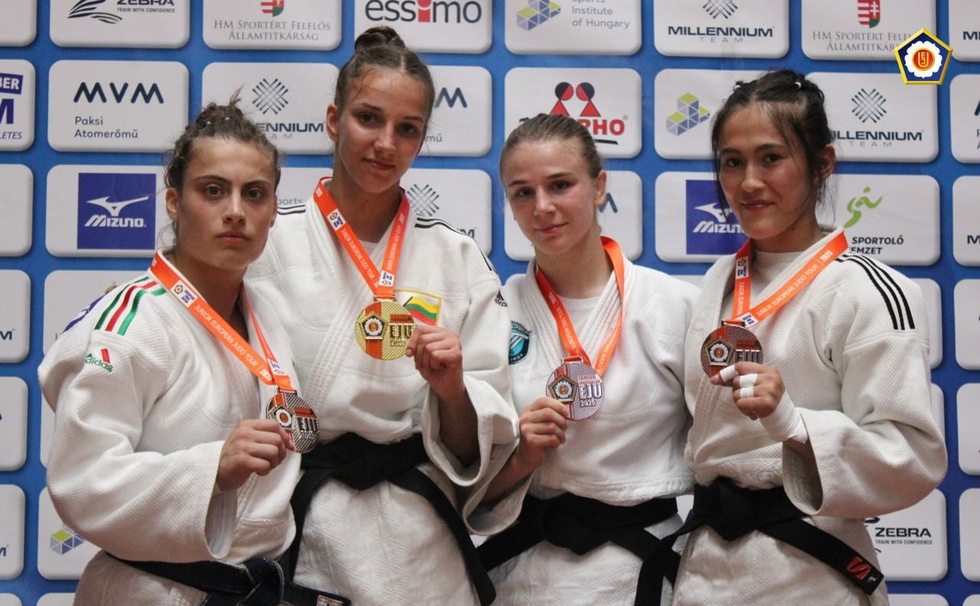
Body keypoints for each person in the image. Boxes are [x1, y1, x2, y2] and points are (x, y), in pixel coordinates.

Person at [245, 26, 519, 605]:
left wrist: (453, 390)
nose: (386, 144)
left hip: (415, 538)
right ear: (333, 120)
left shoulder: (457, 257)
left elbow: (476, 447)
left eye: (408, 128)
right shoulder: (267, 245)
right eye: (368, 118)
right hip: (299, 521)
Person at [662, 69, 948, 605]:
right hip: (708, 565)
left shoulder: (869, 290)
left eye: (771, 158)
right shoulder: (719, 280)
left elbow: (912, 456)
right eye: (732, 161)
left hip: (811, 571)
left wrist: (795, 425)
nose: (749, 182)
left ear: (822, 163)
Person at [42, 98, 343, 605]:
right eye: (213, 191)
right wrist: (211, 468)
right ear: (174, 203)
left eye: (254, 194)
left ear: (274, 210)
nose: (235, 211)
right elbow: (82, 482)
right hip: (151, 591)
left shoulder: (265, 315)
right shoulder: (130, 324)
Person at [475, 113, 700, 604]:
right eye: (523, 192)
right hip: (526, 573)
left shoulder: (677, 307)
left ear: (599, 187)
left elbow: (722, 458)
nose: (543, 207)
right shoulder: (493, 313)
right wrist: (523, 457)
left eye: (560, 185)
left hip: (643, 569)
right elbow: (467, 489)